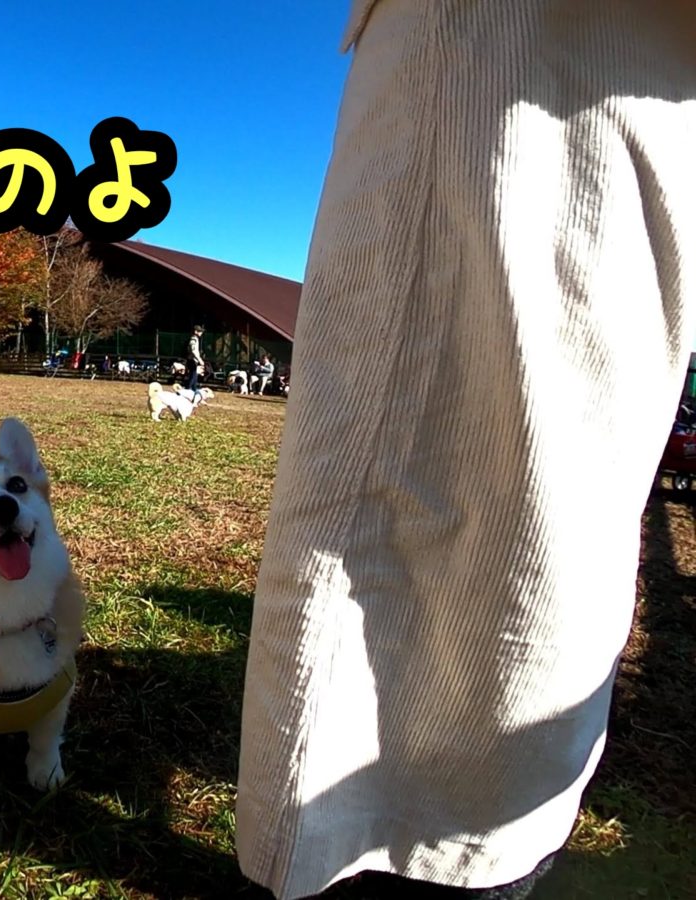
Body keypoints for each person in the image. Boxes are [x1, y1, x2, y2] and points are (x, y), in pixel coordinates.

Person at [236, 2, 695, 900]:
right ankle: (450, 839)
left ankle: (433, 845)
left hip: (552, 68)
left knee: (525, 473)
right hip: (560, 74)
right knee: (524, 476)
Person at [186, 325, 205, 393]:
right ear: (195, 331)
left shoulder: (195, 339)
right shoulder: (193, 339)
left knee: (194, 375)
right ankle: (188, 390)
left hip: (194, 360)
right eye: (200, 331)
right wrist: (200, 360)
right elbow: (193, 351)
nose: (201, 333)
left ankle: (194, 389)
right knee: (192, 376)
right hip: (192, 360)